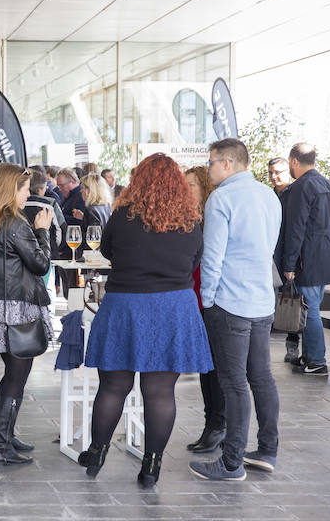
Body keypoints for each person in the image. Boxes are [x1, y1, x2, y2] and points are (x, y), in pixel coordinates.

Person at [80, 153, 212, 487]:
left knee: (113, 386)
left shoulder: (122, 216)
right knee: (160, 392)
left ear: (138, 180)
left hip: (125, 305)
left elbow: (107, 252)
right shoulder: (191, 219)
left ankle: (97, 451)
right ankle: (152, 465)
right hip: (174, 308)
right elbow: (196, 258)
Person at [191, 138, 281, 481]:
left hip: (229, 303)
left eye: (212, 162)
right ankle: (268, 450)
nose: (209, 167)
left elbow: (213, 257)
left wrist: (208, 300)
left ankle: (231, 462)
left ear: (227, 163)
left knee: (233, 384)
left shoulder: (222, 199)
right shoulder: (268, 195)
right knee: (261, 378)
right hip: (261, 300)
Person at [0, 163, 54, 464]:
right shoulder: (15, 224)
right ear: (11, 190)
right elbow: (41, 265)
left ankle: (6, 437)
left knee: (12, 374)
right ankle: (0, 444)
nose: (28, 194)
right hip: (16, 307)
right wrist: (42, 232)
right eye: (25, 189)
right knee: (17, 377)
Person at [279, 143, 330, 377]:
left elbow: (295, 228)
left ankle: (317, 360)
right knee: (310, 305)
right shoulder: (329, 185)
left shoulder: (301, 188)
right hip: (327, 255)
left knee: (311, 308)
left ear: (294, 161)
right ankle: (309, 356)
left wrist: (288, 264)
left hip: (308, 257)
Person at [184, 166, 225, 453]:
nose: (187, 190)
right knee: (205, 366)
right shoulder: (192, 217)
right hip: (194, 298)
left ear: (205, 188)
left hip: (211, 299)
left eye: (192, 186)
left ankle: (219, 425)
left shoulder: (212, 216)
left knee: (216, 368)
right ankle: (211, 424)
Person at [267, 157, 298, 362]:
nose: (274, 176)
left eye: (278, 171)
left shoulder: (294, 194)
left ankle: (292, 345)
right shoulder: (268, 195)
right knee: (271, 300)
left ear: (288, 170)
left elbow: (294, 231)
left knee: (290, 302)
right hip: (270, 255)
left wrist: (290, 263)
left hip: (288, 256)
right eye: (271, 172)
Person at [55, 167, 86, 295]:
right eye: (58, 186)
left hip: (74, 253)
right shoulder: (67, 198)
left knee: (74, 294)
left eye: (62, 185)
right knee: (69, 294)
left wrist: (58, 218)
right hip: (66, 252)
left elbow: (79, 222)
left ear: (72, 181)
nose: (59, 189)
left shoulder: (80, 197)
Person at [23, 169, 63, 252]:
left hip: (23, 253)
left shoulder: (17, 204)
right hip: (48, 252)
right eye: (45, 187)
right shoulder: (50, 203)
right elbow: (61, 230)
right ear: (40, 189)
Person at [73, 172, 112, 249]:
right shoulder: (106, 206)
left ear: (89, 190)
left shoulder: (91, 210)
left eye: (82, 188)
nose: (81, 191)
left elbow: (93, 238)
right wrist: (84, 218)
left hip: (92, 255)